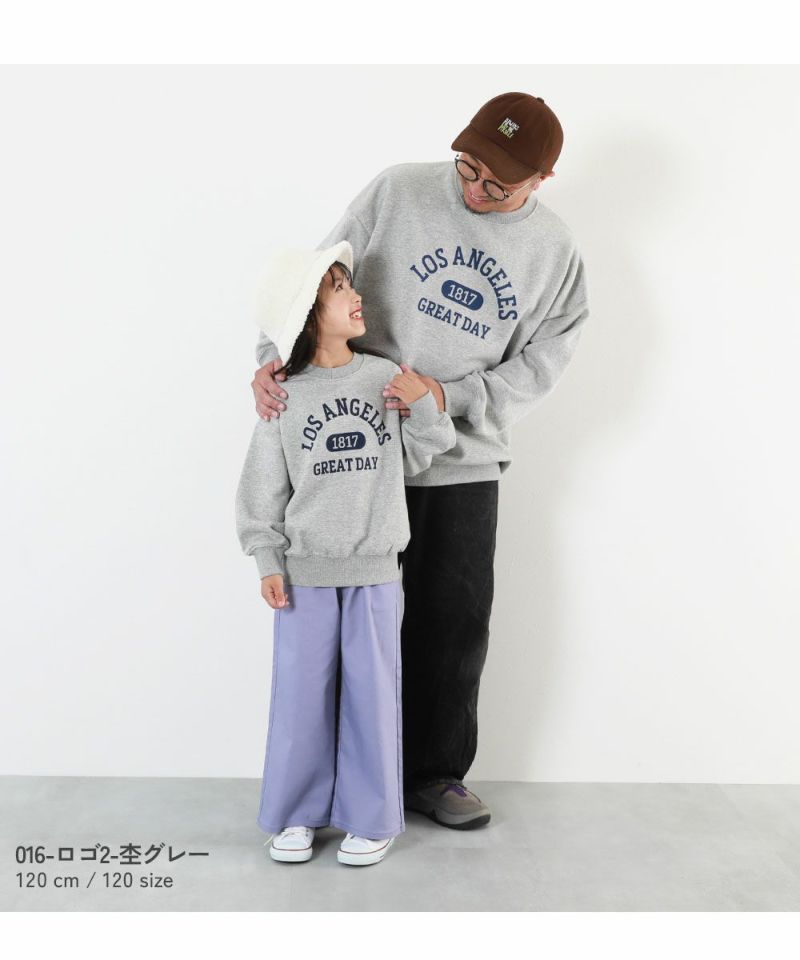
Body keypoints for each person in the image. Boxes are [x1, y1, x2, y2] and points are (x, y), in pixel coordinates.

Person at [250, 92, 590, 830]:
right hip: (356, 443)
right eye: (468, 167)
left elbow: (543, 363)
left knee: (452, 622)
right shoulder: (398, 190)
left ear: (542, 179)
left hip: (462, 458)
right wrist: (274, 361)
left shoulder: (555, 252)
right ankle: (327, 783)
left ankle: (434, 775)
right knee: (338, 626)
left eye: (499, 185)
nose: (477, 189)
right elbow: (313, 278)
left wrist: (450, 395)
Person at [236, 241, 457, 866]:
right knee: (301, 699)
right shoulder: (284, 396)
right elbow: (262, 488)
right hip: (303, 576)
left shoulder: (383, 377)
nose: (358, 296)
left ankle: (371, 817)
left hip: (375, 572)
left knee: (372, 697)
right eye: (340, 289)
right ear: (308, 313)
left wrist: (421, 403)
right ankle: (297, 814)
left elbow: (422, 452)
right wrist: (267, 559)